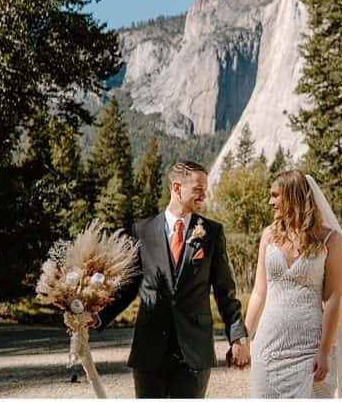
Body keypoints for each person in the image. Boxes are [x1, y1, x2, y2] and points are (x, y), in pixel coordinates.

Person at [95, 160, 250, 398]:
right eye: (198, 189)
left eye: (205, 189)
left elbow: (224, 291)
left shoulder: (212, 232)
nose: (203, 195)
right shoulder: (141, 231)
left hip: (194, 351)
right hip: (149, 349)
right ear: (177, 188)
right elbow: (127, 289)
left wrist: (237, 336)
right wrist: (93, 318)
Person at [245, 170, 342, 398]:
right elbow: (259, 292)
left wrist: (324, 351)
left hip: (310, 350)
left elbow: (334, 298)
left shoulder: (331, 240)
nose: (270, 202)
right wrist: (244, 337)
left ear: (293, 196)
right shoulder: (268, 236)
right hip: (267, 349)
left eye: (275, 195)